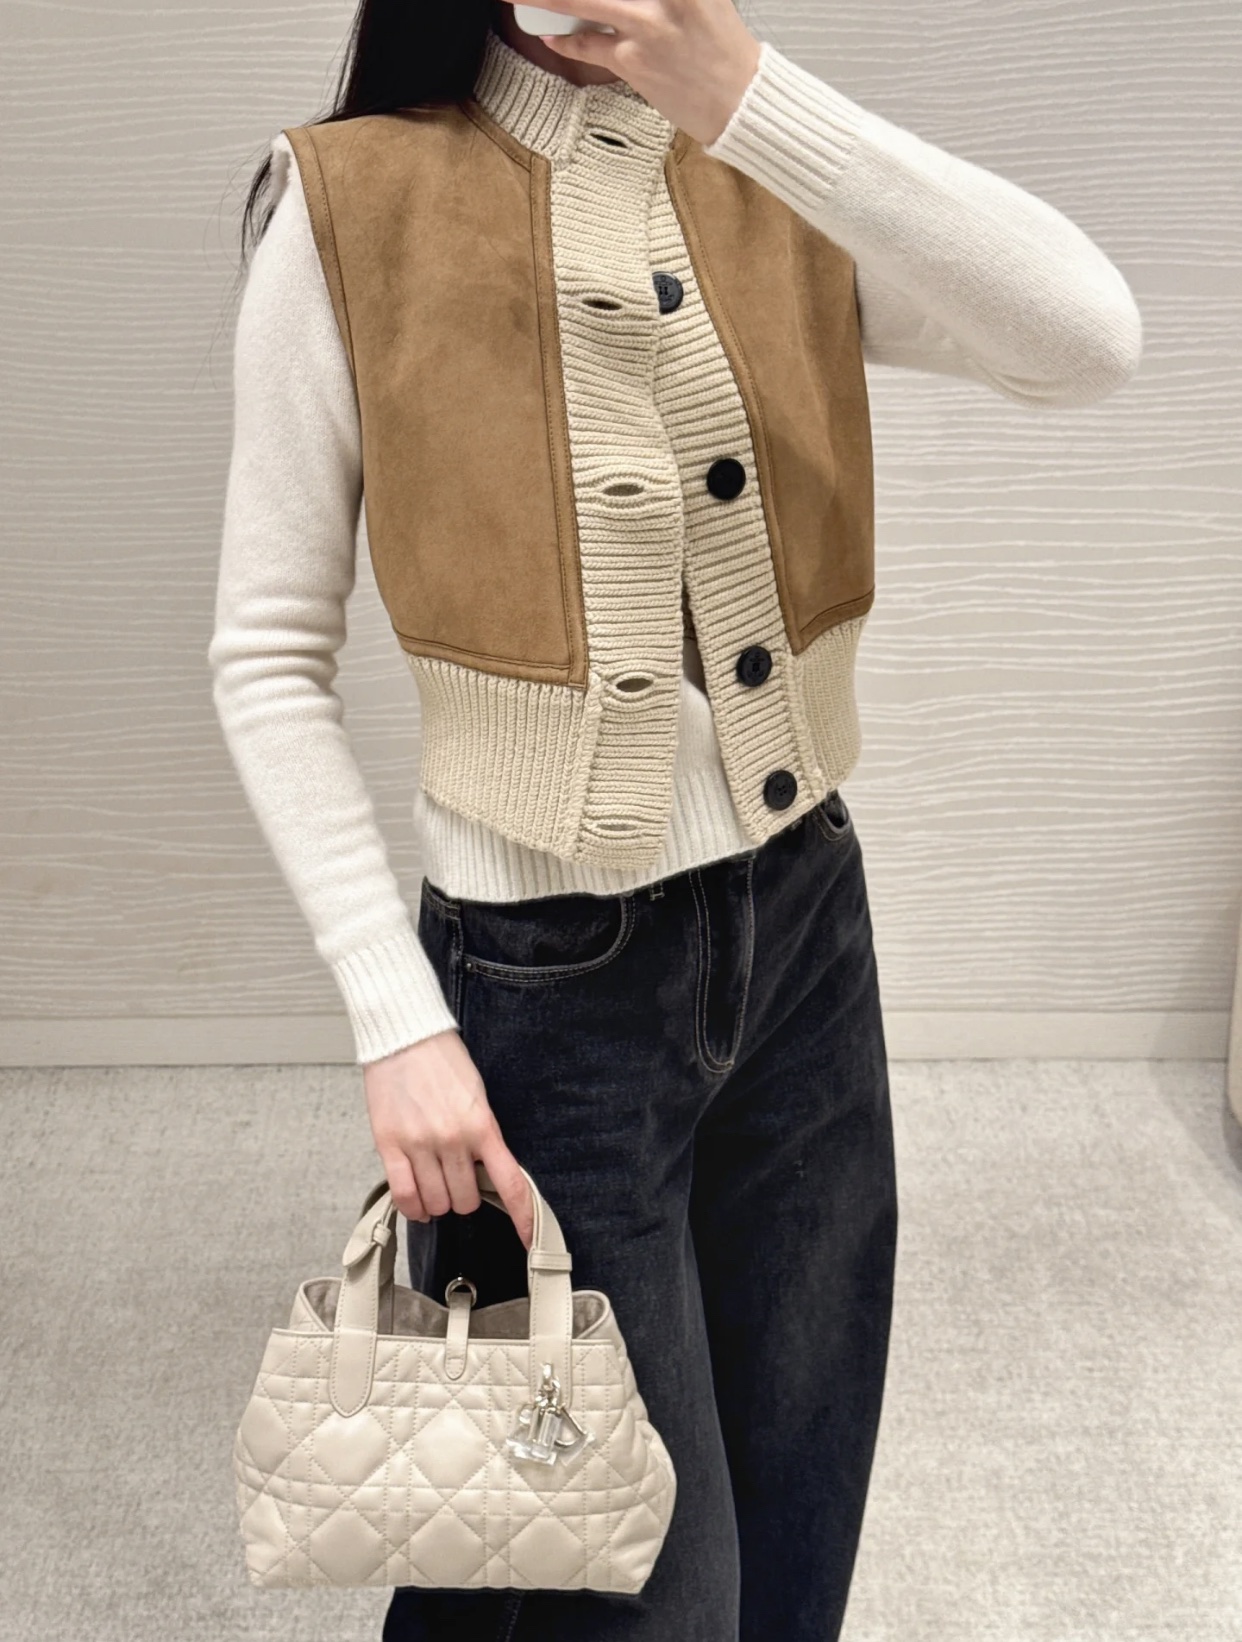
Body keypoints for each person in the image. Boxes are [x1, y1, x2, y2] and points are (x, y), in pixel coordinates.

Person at [210, 2, 1142, 1637]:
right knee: (619, 1572)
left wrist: (747, 92)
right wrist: (395, 1017)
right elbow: (265, 652)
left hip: (804, 931)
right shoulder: (348, 202)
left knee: (795, 1512)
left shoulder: (767, 160)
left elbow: (1086, 336)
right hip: (546, 983)